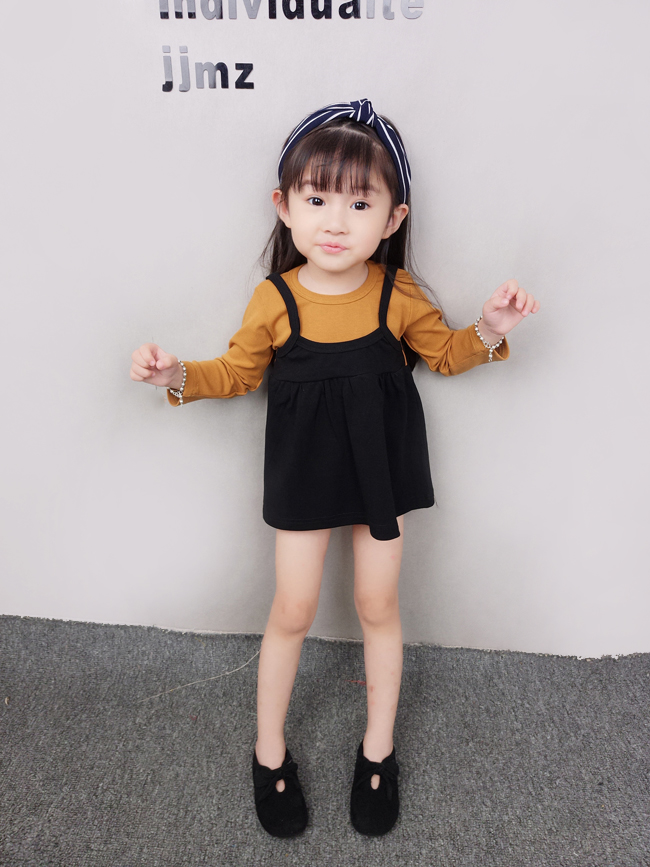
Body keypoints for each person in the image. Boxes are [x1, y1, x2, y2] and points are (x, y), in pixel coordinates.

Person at [129, 98, 540, 838]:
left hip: (382, 470)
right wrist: (174, 374)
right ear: (284, 207)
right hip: (304, 473)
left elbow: (446, 355)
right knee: (292, 608)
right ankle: (269, 750)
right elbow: (237, 372)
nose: (336, 222)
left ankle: (378, 749)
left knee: (378, 605)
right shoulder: (275, 298)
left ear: (393, 218)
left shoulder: (396, 293)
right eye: (317, 200)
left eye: (359, 203)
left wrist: (489, 328)